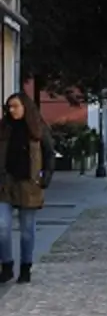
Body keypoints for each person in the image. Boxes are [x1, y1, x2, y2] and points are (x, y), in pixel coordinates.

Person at [0, 93, 55, 285]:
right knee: (2, 226)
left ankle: (26, 267)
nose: (11, 110)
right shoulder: (4, 128)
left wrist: (45, 177)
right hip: (6, 183)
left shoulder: (38, 129)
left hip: (29, 184)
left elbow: (49, 154)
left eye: (15, 106)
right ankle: (6, 265)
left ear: (25, 107)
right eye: (9, 107)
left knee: (27, 230)